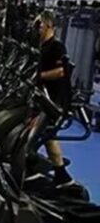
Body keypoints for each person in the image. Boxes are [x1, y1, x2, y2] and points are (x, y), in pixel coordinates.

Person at [38, 10, 74, 187]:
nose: (38, 27)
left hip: (52, 99)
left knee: (48, 134)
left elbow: (61, 71)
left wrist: (41, 76)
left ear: (49, 25)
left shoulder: (57, 47)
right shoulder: (42, 45)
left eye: (40, 24)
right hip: (40, 96)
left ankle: (61, 173)